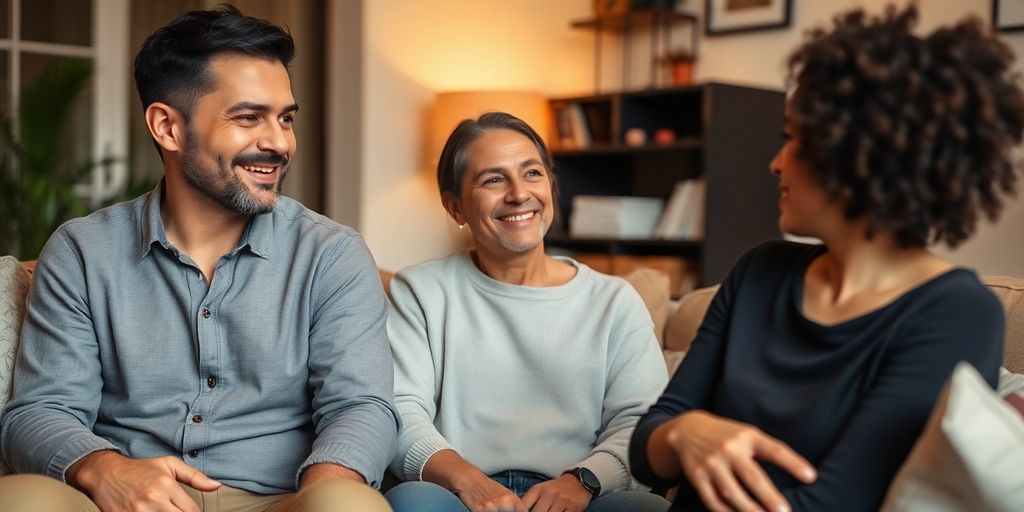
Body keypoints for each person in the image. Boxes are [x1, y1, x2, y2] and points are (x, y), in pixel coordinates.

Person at [0, 6, 398, 512]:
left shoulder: (332, 254)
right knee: (18, 500)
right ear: (167, 126)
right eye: (249, 117)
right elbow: (42, 410)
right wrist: (107, 470)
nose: (279, 142)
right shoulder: (82, 251)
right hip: (124, 499)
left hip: (279, 501)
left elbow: (360, 406)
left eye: (286, 118)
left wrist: (325, 491)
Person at [629, 5, 1024, 512]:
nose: (775, 163)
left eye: (794, 139)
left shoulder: (957, 312)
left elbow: (834, 503)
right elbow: (647, 449)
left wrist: (684, 439)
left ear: (860, 154)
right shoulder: (759, 271)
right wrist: (687, 432)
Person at [384, 112, 671, 512]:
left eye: (532, 173)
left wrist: (581, 482)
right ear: (455, 208)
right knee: (411, 503)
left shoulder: (614, 301)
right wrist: (471, 483)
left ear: (551, 186)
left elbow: (642, 423)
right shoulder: (420, 291)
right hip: (458, 497)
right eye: (494, 179)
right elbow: (398, 411)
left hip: (583, 497)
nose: (519, 194)